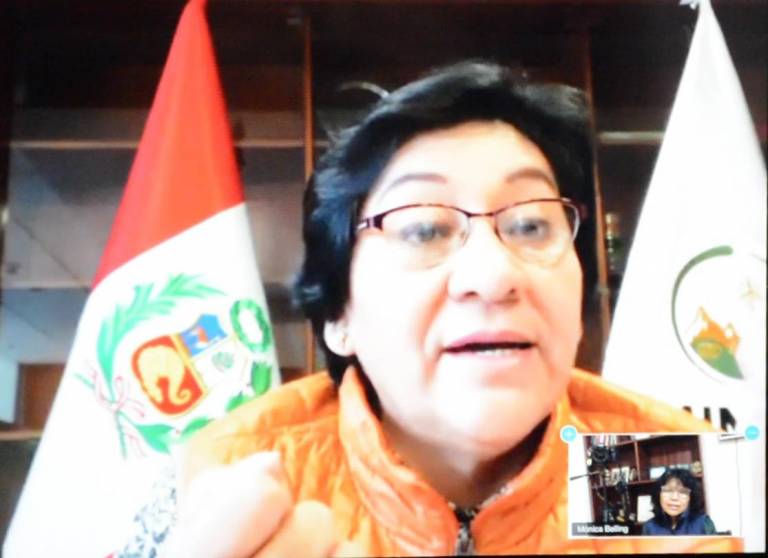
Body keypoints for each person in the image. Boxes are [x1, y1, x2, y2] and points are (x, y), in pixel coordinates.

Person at [120, 61, 742, 557]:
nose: (494, 275)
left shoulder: (652, 462)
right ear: (339, 314)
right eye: (424, 229)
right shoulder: (235, 474)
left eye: (531, 224)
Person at [642, 468, 717, 536]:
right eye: (668, 490)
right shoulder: (649, 527)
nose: (674, 498)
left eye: (683, 492)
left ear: (690, 497)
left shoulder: (704, 523)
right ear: (658, 494)